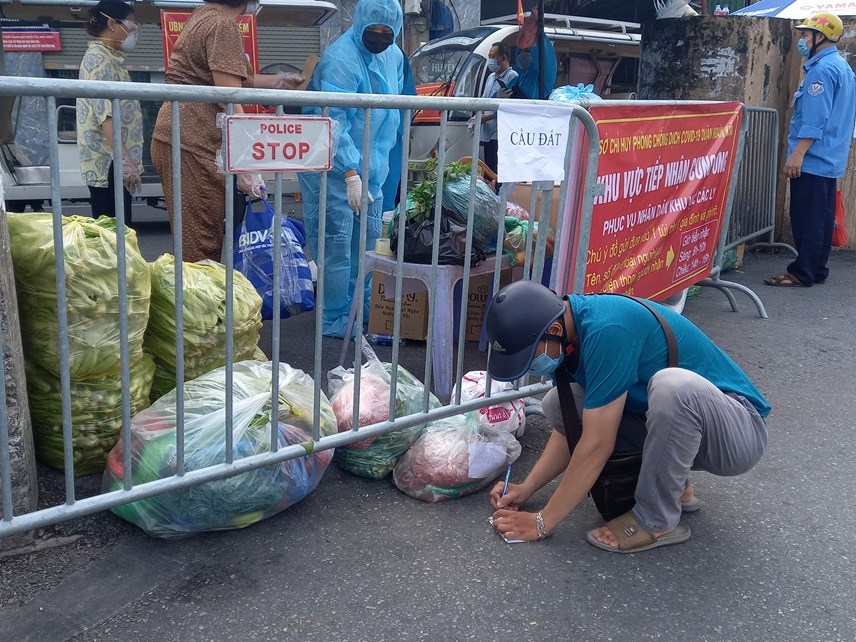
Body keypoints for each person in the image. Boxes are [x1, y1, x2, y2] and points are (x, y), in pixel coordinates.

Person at [484, 281, 770, 553]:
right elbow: (572, 428)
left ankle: (657, 520)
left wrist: (543, 521)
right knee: (560, 403)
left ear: (554, 328)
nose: (532, 367)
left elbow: (596, 444)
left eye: (529, 356)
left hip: (739, 433)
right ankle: (677, 490)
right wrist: (527, 487)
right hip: (694, 427)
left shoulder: (607, 329)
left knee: (673, 387)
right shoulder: (568, 334)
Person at [150, 0, 302, 264]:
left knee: (194, 238)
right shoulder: (222, 25)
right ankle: (196, 303)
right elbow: (229, 96)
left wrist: (277, 81)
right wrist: (246, 160)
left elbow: (221, 77)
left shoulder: (204, 15)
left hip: (182, 136)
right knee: (200, 244)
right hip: (193, 141)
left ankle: (194, 299)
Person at [296, 0, 405, 338]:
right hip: (334, 172)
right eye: (374, 31)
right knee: (336, 246)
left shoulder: (394, 56)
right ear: (360, 24)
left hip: (373, 170)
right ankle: (334, 318)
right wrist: (349, 172)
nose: (380, 38)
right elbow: (334, 120)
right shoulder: (340, 58)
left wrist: (370, 173)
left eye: (388, 32)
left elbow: (391, 111)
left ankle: (365, 310)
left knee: (368, 245)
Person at [764, 12, 855, 288]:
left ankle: (801, 272)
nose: (802, 40)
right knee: (822, 218)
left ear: (820, 37)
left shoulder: (822, 70)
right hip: (829, 157)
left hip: (813, 158)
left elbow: (816, 119)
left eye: (805, 35)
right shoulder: (842, 67)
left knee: (807, 218)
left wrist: (798, 154)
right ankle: (816, 269)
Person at [76, 0, 144, 224]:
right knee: (113, 233)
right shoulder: (99, 60)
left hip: (114, 158)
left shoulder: (111, 59)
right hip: (108, 162)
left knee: (119, 230)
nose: (135, 31)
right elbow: (105, 115)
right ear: (113, 24)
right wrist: (126, 161)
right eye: (132, 24)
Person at [467, 43, 518, 183]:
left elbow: (510, 108)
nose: (490, 60)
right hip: (487, 134)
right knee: (487, 171)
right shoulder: (490, 78)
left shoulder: (512, 77)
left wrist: (486, 118)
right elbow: (485, 101)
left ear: (504, 58)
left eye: (493, 57)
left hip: (500, 134)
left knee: (497, 173)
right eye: (489, 57)